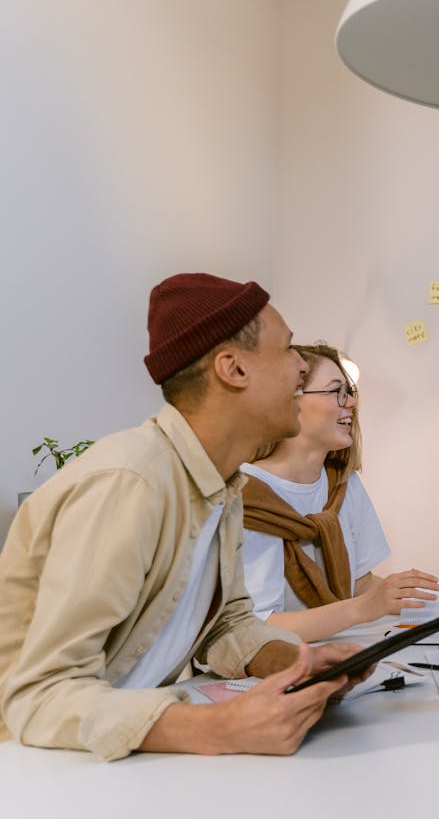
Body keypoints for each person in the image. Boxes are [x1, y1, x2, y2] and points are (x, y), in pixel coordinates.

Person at [0, 273, 364, 761]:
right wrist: (216, 728)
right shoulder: (131, 483)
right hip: (45, 768)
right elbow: (40, 695)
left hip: (127, 761)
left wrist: (298, 662)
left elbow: (223, 626)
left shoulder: (224, 484)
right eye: (286, 350)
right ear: (232, 369)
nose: (301, 364)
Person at [240, 343, 439, 642]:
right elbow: (254, 629)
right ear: (289, 401)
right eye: (336, 391)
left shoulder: (342, 484)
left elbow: (360, 585)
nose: (351, 404)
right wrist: (360, 609)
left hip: (335, 654)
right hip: (271, 673)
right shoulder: (246, 498)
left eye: (349, 392)